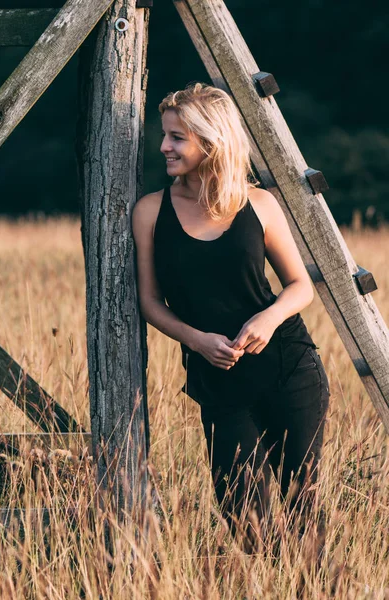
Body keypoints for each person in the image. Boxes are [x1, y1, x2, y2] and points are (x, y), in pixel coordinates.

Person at [132, 82, 330, 558]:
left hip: (288, 369)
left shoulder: (258, 204)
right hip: (216, 382)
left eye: (177, 137)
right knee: (245, 518)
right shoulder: (150, 212)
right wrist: (196, 340)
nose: (164, 146)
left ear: (210, 140)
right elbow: (149, 302)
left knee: (303, 508)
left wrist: (269, 318)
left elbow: (299, 286)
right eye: (165, 135)